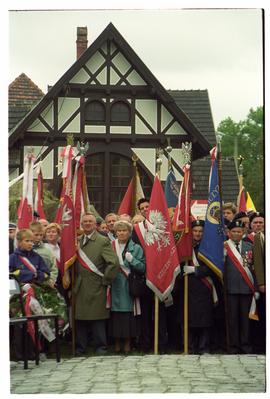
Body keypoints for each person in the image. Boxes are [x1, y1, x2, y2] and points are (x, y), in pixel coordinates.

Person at [74, 212, 119, 355]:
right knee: (80, 317)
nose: (87, 223)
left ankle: (101, 346)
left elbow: (113, 263)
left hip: (97, 283)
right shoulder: (77, 241)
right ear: (81, 224)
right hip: (80, 284)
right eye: (85, 221)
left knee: (98, 317)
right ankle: (81, 347)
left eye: (90, 221)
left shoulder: (102, 240)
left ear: (95, 225)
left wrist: (105, 280)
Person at [180, 220, 217, 354]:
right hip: (188, 287)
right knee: (188, 318)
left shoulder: (209, 247)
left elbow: (214, 268)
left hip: (204, 287)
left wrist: (196, 270)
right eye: (195, 231)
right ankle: (188, 347)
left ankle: (204, 347)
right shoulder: (185, 246)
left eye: (200, 231)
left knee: (204, 319)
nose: (197, 233)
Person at [110, 220, 145, 353]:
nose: (121, 233)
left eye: (124, 230)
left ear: (129, 233)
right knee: (116, 315)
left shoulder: (136, 248)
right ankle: (117, 342)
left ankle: (128, 342)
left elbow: (142, 268)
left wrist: (132, 260)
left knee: (127, 315)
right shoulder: (110, 246)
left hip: (128, 285)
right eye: (118, 231)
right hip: (114, 284)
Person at [224, 220, 258, 354]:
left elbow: (256, 269)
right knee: (232, 319)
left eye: (239, 231)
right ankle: (233, 346)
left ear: (243, 232)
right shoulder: (224, 246)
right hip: (230, 288)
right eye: (234, 231)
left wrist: (255, 287)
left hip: (246, 289)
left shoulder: (250, 246)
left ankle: (246, 345)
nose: (237, 234)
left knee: (246, 320)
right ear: (229, 233)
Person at [29, 221, 58, 287]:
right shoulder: (25, 249)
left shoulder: (48, 249)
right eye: (36, 235)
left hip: (45, 285)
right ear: (30, 234)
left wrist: (51, 281)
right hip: (28, 286)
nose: (39, 237)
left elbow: (54, 268)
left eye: (41, 235)